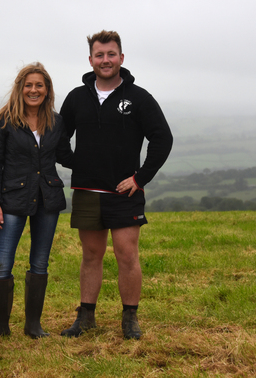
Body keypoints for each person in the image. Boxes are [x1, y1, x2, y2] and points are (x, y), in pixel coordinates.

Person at [59, 30, 173, 340]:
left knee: (126, 254)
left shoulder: (139, 98)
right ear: (91, 60)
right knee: (91, 255)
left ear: (121, 58)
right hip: (86, 191)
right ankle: (85, 317)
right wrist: (76, 163)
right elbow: (58, 138)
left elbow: (162, 139)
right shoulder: (76, 98)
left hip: (125, 192)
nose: (105, 60)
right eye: (100, 55)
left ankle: (130, 318)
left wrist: (140, 178)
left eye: (111, 54)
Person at [0, 62, 73, 339]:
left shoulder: (56, 122)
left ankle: (33, 326)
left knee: (40, 264)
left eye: (39, 85)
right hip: (11, 200)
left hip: (48, 199)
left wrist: (100, 161)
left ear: (47, 90)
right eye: (29, 85)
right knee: (1, 265)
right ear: (20, 89)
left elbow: (65, 157)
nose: (34, 90)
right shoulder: (2, 121)